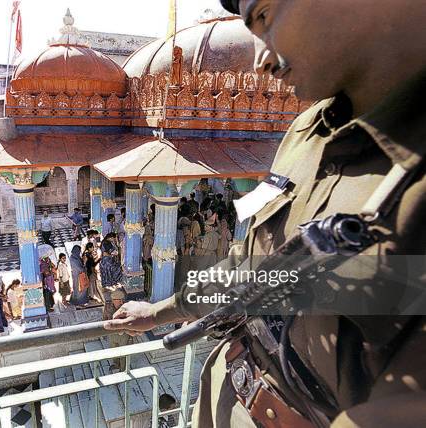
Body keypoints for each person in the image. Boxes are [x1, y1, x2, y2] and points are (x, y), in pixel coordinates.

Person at [106, 1, 426, 427]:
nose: (262, 60)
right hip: (227, 389)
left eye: (264, 17)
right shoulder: (306, 134)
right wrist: (162, 311)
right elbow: (255, 269)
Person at [102, 287, 130, 372]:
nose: (121, 302)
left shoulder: (126, 307)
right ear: (114, 300)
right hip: (112, 334)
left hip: (123, 334)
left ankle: (123, 369)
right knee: (113, 350)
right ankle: (116, 364)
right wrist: (104, 332)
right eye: (119, 300)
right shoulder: (107, 306)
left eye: (122, 300)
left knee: (123, 352)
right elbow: (104, 319)